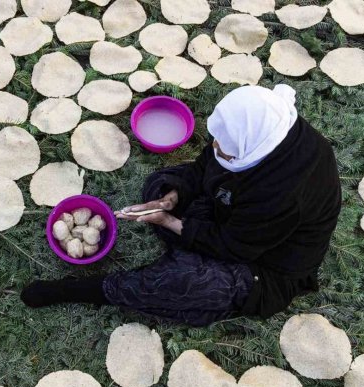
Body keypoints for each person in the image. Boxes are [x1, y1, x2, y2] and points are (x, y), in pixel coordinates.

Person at [21, 85, 342, 327]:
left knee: (184, 282)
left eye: (225, 148)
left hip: (263, 265)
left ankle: (86, 289)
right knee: (162, 183)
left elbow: (235, 247)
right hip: (234, 217)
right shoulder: (261, 131)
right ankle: (185, 238)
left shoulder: (284, 195)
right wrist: (172, 199)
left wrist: (169, 221)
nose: (214, 146)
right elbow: (206, 165)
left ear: (253, 153)